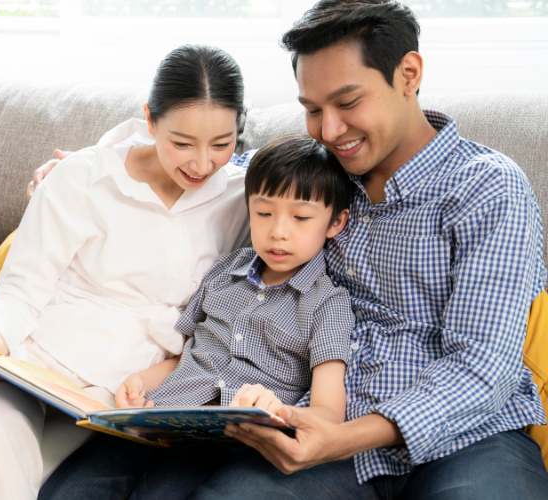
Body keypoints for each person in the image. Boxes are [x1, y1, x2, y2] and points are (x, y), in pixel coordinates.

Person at [30, 1, 548, 498]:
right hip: (320, 437)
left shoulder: (488, 188)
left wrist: (343, 436)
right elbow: (209, 160)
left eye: (347, 103)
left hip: (469, 439)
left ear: (408, 74)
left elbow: (482, 367)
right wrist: (85, 173)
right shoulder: (314, 174)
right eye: (312, 110)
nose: (329, 130)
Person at [0, 44, 254, 500]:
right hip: (36, 363)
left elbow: (300, 188)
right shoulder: (83, 177)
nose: (202, 164)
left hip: (121, 398)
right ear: (149, 120)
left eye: (221, 144)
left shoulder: (247, 200)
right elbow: (22, 286)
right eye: (181, 143)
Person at [39, 133, 357, 500]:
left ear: (335, 222)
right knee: (66, 491)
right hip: (158, 419)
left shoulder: (328, 304)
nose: (278, 232)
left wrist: (279, 412)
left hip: (229, 444)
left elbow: (329, 414)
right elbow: (184, 356)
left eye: (301, 218)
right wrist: (138, 382)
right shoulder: (224, 271)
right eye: (264, 213)